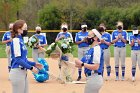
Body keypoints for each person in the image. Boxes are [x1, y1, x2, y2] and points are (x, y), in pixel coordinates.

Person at [9, 20, 43, 93]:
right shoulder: (16, 41)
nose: (26, 30)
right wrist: (31, 68)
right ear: (19, 29)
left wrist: (34, 64)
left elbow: (24, 60)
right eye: (25, 28)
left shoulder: (20, 40)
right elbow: (18, 60)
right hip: (17, 73)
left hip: (23, 73)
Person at [75, 29, 104, 93]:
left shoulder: (96, 49)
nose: (87, 37)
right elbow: (78, 65)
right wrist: (65, 60)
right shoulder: (90, 50)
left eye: (89, 35)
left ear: (96, 38)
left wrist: (82, 64)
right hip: (91, 79)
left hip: (94, 78)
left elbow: (96, 67)